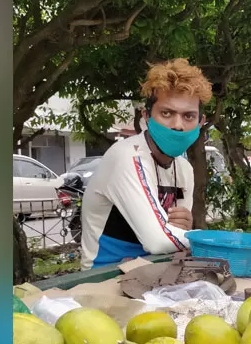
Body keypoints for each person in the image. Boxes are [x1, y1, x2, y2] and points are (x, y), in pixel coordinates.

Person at [79, 58, 212, 270]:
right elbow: (159, 241)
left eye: (188, 116)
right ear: (147, 116)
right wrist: (211, 239)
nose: (177, 126)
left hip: (158, 269)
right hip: (105, 275)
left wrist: (181, 229)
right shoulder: (127, 157)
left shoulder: (184, 168)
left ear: (200, 122)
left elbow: (175, 237)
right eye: (166, 113)